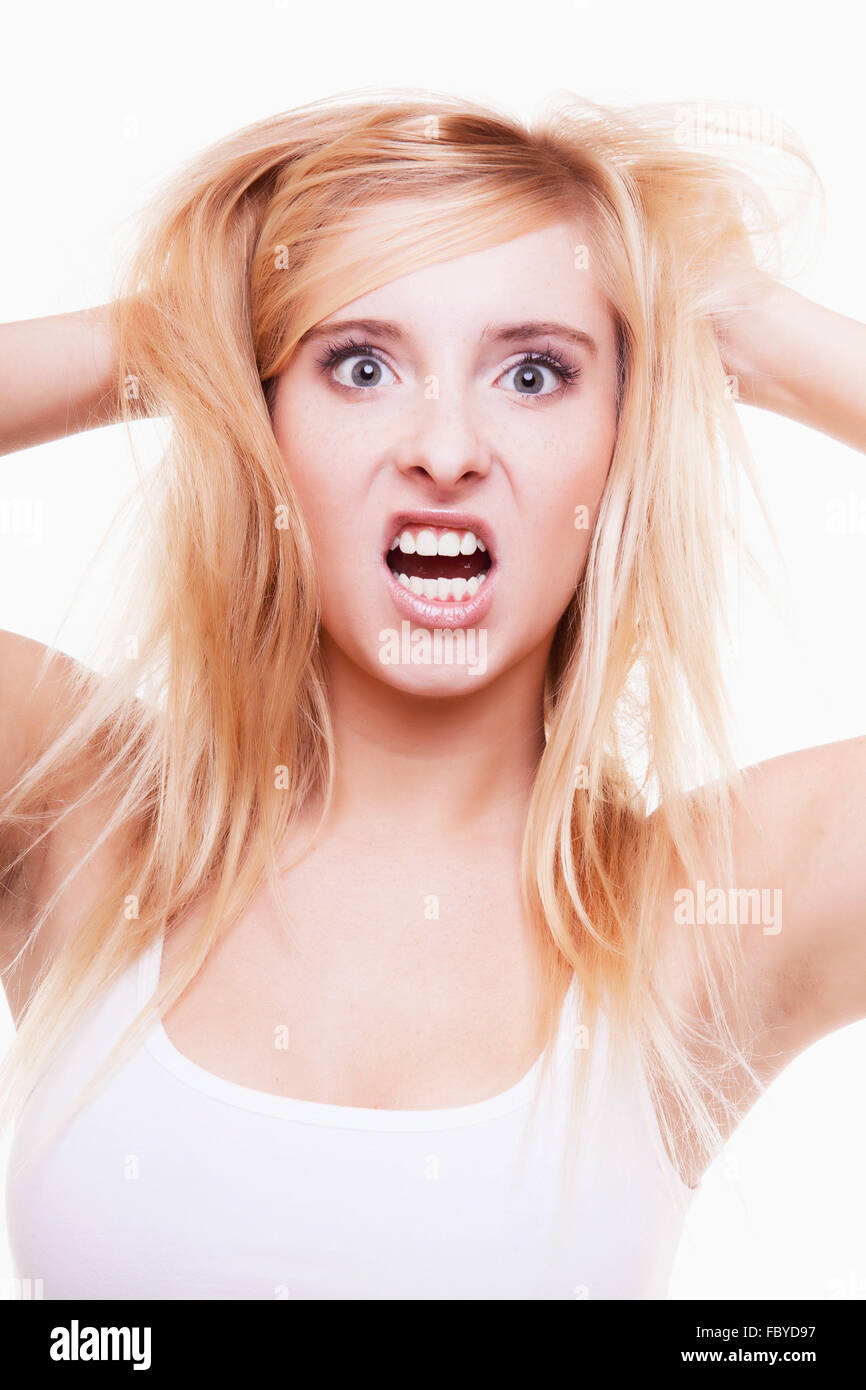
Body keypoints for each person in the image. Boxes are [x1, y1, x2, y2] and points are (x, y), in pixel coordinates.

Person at [1, 89, 864, 1300]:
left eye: (533, 372)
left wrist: (745, 327)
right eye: (358, 364)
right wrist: (167, 337)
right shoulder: (76, 815)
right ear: (262, 418)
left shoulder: (713, 907)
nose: (445, 450)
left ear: (623, 431)